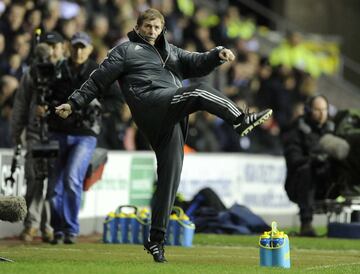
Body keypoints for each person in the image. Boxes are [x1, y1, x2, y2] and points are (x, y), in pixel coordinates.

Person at [55, 8, 272, 262]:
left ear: (163, 29)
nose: (152, 31)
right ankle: (240, 120)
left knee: (169, 180)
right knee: (198, 92)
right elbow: (97, 80)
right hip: (151, 104)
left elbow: (197, 62)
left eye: (157, 27)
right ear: (137, 27)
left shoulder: (172, 52)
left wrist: (216, 55)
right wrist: (73, 102)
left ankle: (156, 241)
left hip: (170, 117)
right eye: (148, 26)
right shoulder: (124, 51)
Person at [48, 31, 122, 245]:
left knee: (71, 178)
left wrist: (98, 107)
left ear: (90, 50)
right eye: (76, 46)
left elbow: (117, 100)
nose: (79, 51)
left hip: (85, 133)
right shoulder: (58, 69)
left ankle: (70, 229)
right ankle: (58, 229)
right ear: (70, 47)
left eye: (83, 47)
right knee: (54, 186)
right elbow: (45, 93)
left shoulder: (98, 72)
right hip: (58, 131)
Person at [10, 32, 66, 243]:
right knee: (34, 178)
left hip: (58, 132)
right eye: (48, 45)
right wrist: (16, 133)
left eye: (55, 45)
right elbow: (21, 105)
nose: (52, 50)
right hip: (35, 132)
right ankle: (31, 224)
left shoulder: (67, 72)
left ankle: (49, 225)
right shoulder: (31, 73)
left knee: (53, 182)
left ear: (63, 48)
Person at [282, 95, 340, 236]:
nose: (322, 114)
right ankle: (306, 224)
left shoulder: (333, 129)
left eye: (324, 110)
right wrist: (314, 159)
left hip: (328, 182)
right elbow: (293, 159)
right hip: (300, 183)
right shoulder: (295, 130)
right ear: (308, 110)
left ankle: (353, 223)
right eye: (317, 110)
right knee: (306, 170)